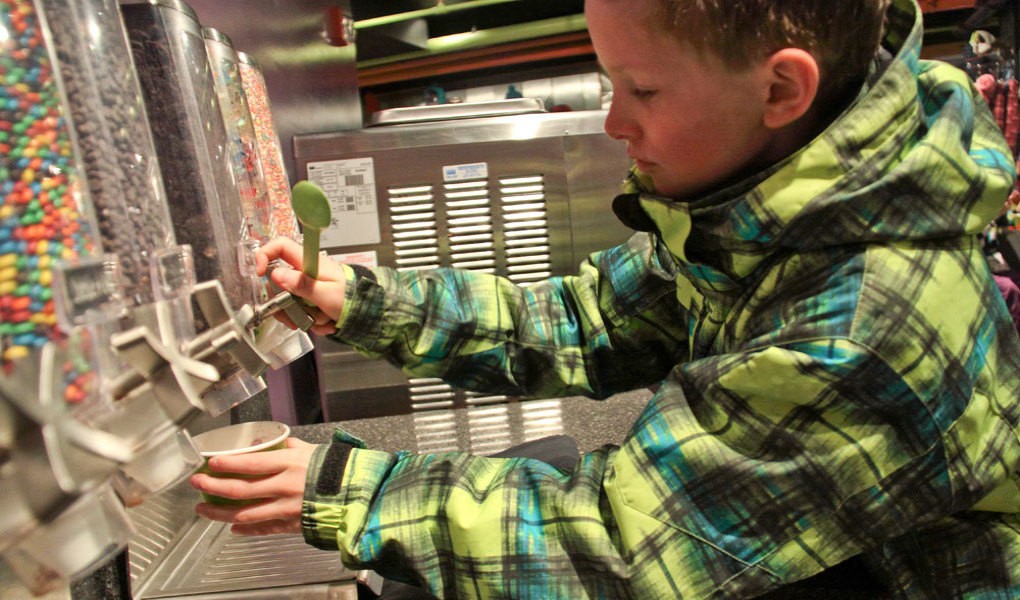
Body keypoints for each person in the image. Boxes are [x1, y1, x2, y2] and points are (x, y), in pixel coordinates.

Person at [191, 0, 1020, 597]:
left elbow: (632, 550)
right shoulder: (767, 210)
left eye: (643, 90)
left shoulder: (863, 323)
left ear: (779, 91)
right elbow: (586, 323)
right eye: (606, 81)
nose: (614, 122)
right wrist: (372, 302)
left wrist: (360, 494)